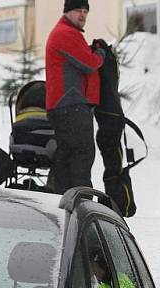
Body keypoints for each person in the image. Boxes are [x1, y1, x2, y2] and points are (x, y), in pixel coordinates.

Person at [45, 0, 105, 193]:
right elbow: (89, 63)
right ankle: (81, 202)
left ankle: (64, 200)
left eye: (85, 11)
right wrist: (101, 54)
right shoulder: (66, 34)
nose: (82, 15)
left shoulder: (67, 33)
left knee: (67, 155)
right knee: (82, 154)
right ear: (67, 12)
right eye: (78, 10)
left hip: (65, 104)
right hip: (71, 104)